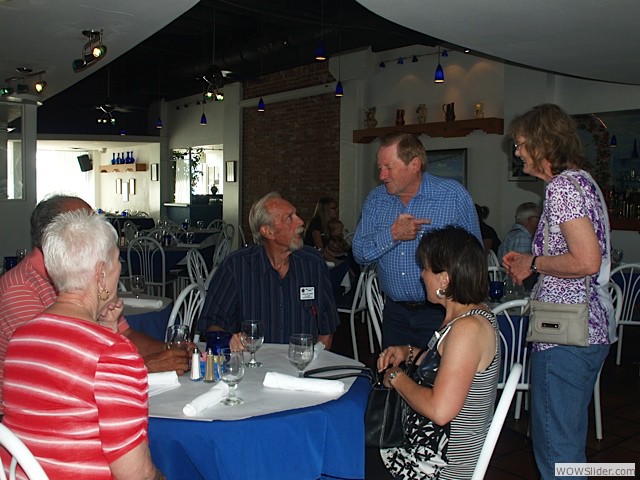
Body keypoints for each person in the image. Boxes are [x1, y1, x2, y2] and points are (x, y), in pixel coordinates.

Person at [2, 210, 165, 479]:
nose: (119, 268)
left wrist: (105, 333)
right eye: (117, 260)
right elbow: (136, 475)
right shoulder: (113, 354)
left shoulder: (22, 338)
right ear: (101, 274)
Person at [0, 195, 189, 415]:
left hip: (82, 404)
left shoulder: (85, 281)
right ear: (57, 235)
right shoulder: (20, 287)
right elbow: (54, 376)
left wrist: (170, 352)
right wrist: (144, 367)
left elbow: (124, 335)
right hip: (32, 419)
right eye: (87, 225)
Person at [502, 104, 612, 480]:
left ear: (541, 143)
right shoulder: (583, 182)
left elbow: (586, 261)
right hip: (587, 330)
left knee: (556, 451)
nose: (516, 152)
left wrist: (534, 263)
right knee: (567, 444)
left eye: (519, 144)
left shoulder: (563, 188)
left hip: (565, 336)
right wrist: (532, 260)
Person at [375, 226, 499, 479]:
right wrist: (410, 352)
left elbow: (440, 411)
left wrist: (397, 377)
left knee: (344, 457)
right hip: (430, 448)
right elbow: (448, 367)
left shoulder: (468, 330)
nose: (422, 275)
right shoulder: (468, 316)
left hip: (439, 465)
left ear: (444, 278)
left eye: (426, 268)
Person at [353, 132, 481, 348]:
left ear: (414, 164)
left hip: (442, 312)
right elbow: (359, 253)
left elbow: (474, 257)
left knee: (436, 379)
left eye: (388, 167)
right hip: (394, 311)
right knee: (393, 376)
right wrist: (393, 235)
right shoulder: (376, 200)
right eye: (379, 168)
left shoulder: (452, 196)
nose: (382, 175)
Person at [199, 191, 339, 350]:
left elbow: (328, 326)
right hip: (252, 365)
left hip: (300, 366)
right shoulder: (236, 266)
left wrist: (314, 362)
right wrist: (226, 340)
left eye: (296, 215)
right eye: (289, 218)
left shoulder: (313, 263)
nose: (300, 222)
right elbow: (211, 323)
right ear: (268, 231)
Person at [498, 202, 541, 290]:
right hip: (518, 287)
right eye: (539, 217)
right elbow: (523, 269)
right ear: (531, 220)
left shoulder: (514, 234)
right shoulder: (522, 237)